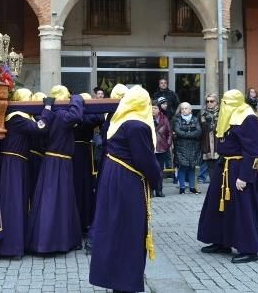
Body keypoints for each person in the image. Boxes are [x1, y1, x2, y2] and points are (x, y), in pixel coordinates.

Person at [89, 86, 161, 292]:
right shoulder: (137, 125)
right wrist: (156, 179)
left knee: (114, 229)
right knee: (129, 232)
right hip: (127, 182)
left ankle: (115, 280)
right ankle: (124, 283)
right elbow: (144, 160)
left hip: (114, 178)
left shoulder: (118, 120)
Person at [197, 89, 258, 264]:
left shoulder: (249, 119)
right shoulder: (229, 117)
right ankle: (221, 240)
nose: (222, 105)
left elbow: (253, 151)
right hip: (224, 165)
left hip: (239, 168)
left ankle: (249, 249)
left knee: (242, 209)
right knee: (218, 205)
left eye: (226, 102)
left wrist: (244, 176)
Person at [0, 88, 52, 258]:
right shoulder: (17, 117)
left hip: (17, 163)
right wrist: (47, 109)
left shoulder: (18, 117)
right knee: (13, 204)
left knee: (18, 202)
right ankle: (10, 247)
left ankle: (17, 244)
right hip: (13, 164)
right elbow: (40, 128)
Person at [26, 85, 84, 254]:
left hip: (53, 161)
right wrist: (77, 98)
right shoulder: (61, 115)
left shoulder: (50, 114)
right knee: (55, 201)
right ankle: (51, 242)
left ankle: (48, 240)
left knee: (51, 199)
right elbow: (76, 115)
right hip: (58, 162)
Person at [73, 93, 104, 232]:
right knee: (81, 187)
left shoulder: (76, 114)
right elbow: (98, 118)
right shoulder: (80, 116)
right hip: (81, 152)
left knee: (84, 186)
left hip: (82, 152)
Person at [172, 102, 202, 194]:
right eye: (182, 109)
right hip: (181, 147)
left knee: (192, 167)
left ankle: (192, 187)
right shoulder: (177, 120)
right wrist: (190, 133)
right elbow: (177, 131)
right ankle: (182, 188)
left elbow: (199, 132)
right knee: (183, 167)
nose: (184, 110)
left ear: (190, 110)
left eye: (186, 108)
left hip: (194, 147)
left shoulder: (195, 119)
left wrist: (185, 133)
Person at [152, 99, 172, 198]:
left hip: (161, 149)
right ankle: (150, 190)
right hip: (150, 149)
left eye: (155, 108)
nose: (153, 110)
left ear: (159, 109)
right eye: (151, 108)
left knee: (160, 171)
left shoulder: (164, 119)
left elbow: (169, 134)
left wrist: (167, 145)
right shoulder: (146, 119)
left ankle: (159, 190)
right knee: (150, 170)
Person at [199, 93, 219, 184]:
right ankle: (213, 184)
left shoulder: (221, 113)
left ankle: (219, 184)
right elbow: (199, 129)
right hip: (206, 142)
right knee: (209, 164)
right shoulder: (202, 114)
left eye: (212, 101)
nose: (209, 103)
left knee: (219, 165)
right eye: (207, 101)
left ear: (216, 102)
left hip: (218, 142)